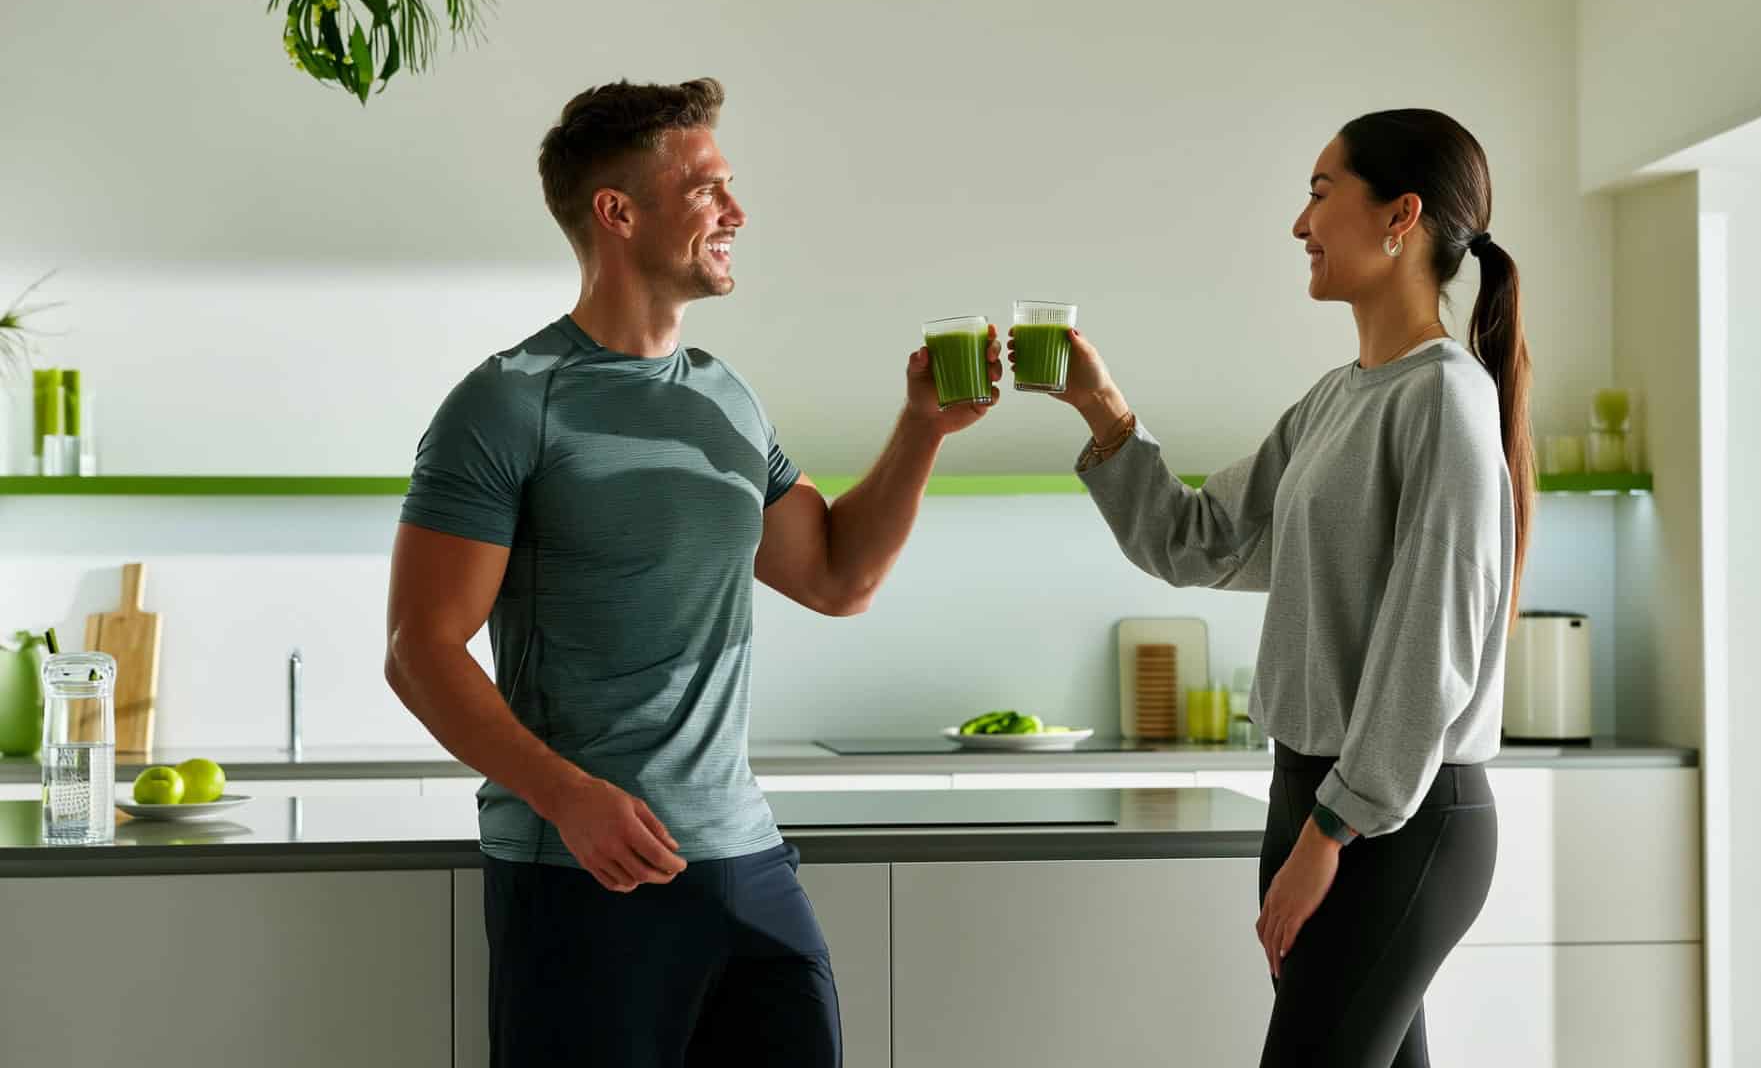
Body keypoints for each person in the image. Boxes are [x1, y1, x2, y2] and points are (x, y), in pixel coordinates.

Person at [383, 77, 1000, 1067]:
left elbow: (838, 577)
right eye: (709, 189)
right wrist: (565, 795)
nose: (738, 213)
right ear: (618, 213)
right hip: (584, 873)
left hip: (742, 858)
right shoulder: (506, 403)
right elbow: (420, 649)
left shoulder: (725, 395)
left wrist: (923, 429)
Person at [1019, 108, 1530, 1067]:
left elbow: (1430, 651)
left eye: (1320, 192)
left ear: (1400, 216)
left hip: (1394, 819)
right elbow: (1197, 541)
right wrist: (1099, 403)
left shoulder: (1448, 399)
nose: (1301, 225)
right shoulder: (1338, 399)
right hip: (1315, 797)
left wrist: (1330, 832)